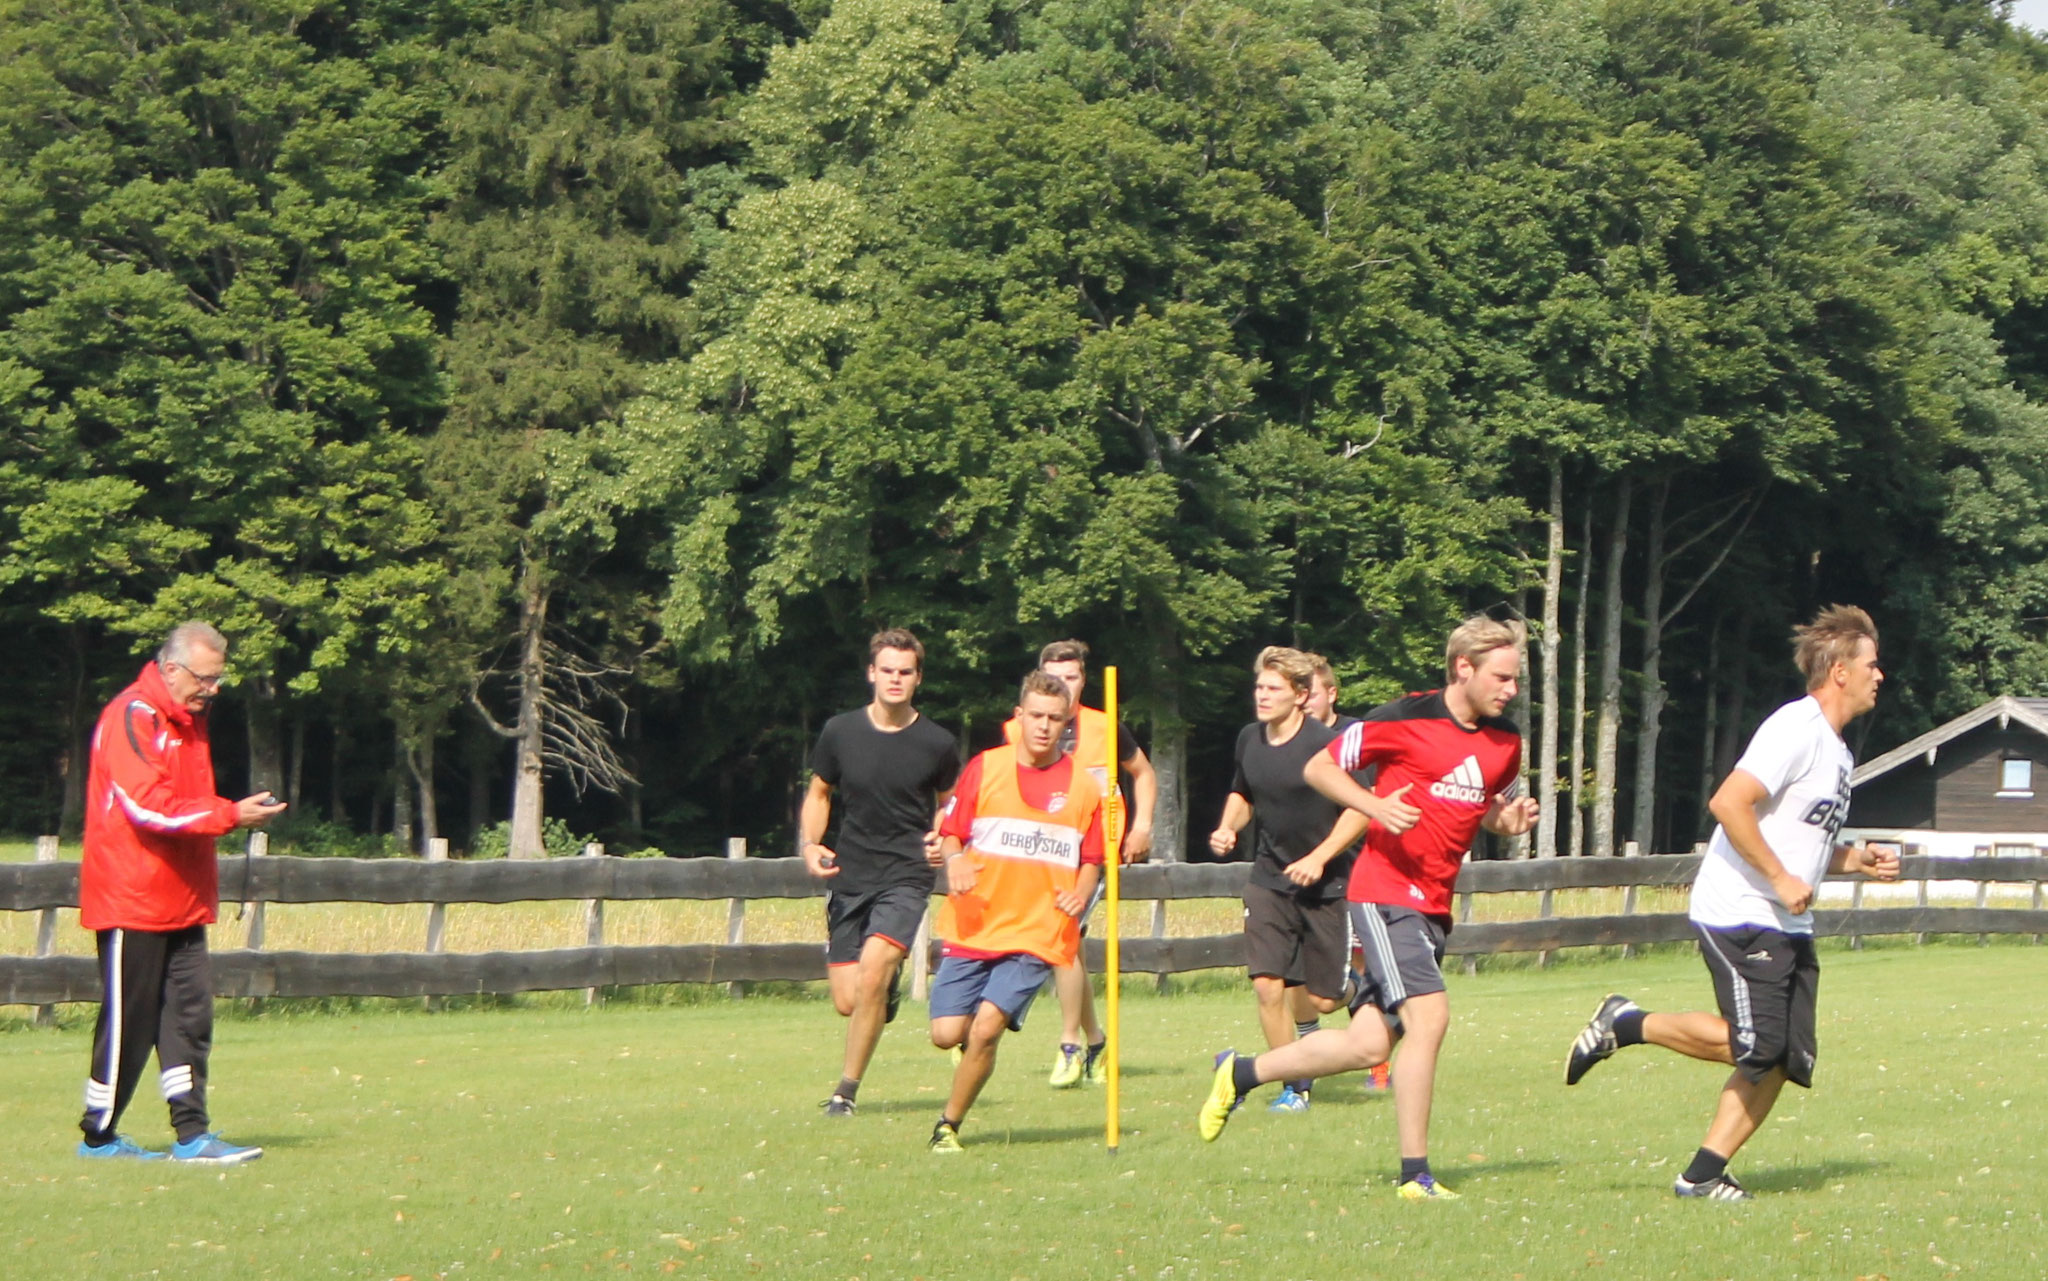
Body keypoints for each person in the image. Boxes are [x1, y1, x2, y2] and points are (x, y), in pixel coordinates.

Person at [1198, 616, 1538, 1201]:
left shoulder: (1505, 741)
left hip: (1434, 904)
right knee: (1430, 1018)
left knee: (1369, 1046)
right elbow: (1320, 767)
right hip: (1384, 892)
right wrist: (1374, 807)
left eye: (1515, 680)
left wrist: (1508, 822)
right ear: (1464, 667)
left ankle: (1243, 1072)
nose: (1511, 690)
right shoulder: (1402, 717)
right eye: (1502, 678)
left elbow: (1488, 810)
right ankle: (1415, 1176)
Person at [1564, 605, 1898, 1201]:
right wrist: (1777, 877)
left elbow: (1800, 838)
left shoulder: (1839, 752)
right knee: (1757, 1046)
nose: (1881, 675)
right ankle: (1627, 1023)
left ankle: (1702, 1174)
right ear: (1840, 670)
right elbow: (1729, 803)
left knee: (1784, 1057)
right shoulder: (1794, 728)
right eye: (1873, 664)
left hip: (1786, 918)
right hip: (1740, 909)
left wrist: (1855, 860)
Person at [78, 622, 285, 1164]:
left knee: (190, 1019)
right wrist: (231, 814)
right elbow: (148, 808)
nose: (212, 689)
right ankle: (98, 1137)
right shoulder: (131, 717)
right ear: (171, 670)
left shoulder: (189, 721)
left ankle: (192, 1135)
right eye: (205, 678)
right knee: (130, 1022)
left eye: (218, 680)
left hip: (182, 899)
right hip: (132, 898)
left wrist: (225, 815)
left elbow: (184, 802)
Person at [927, 671, 1106, 1152]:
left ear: (1067, 722)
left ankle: (948, 1126)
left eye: (1055, 718)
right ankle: (970, 1053)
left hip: (1038, 930)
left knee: (985, 1030)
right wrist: (957, 859)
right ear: (1019, 717)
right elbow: (951, 833)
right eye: (1036, 716)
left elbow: (1091, 860)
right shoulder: (985, 768)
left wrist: (1080, 892)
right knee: (947, 1034)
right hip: (976, 923)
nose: (1045, 726)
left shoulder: (1084, 789)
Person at [801, 628, 962, 1118]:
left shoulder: (937, 742)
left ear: (917, 679)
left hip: (907, 876)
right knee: (850, 1001)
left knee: (872, 974)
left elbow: (951, 804)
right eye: (887, 670)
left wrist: (942, 837)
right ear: (871, 673)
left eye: (905, 672)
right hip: (850, 875)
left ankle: (844, 1092)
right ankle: (883, 992)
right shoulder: (840, 732)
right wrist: (810, 845)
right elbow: (819, 794)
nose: (895, 679)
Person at [1208, 647, 1368, 1113]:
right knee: (1267, 986)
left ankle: (1368, 991)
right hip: (1268, 879)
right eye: (1259, 686)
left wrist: (1319, 858)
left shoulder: (1327, 744)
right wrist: (1226, 827)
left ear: (1301, 695)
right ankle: (1293, 1086)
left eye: (1273, 688)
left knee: (1321, 1000)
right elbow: (1243, 792)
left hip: (1326, 885)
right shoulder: (1249, 739)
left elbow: (1361, 810)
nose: (1262, 695)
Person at [1002, 639, 1155, 1088]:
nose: (1063, 688)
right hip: (1041, 851)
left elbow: (1143, 774)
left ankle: (1069, 1043)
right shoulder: (1019, 731)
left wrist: (1141, 827)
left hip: (1094, 850)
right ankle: (1095, 1039)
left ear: (1083, 681)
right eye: (1054, 679)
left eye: (1071, 679)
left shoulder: (1108, 728)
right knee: (1065, 948)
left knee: (1063, 937)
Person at [1305, 652, 1390, 1094]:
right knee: (1300, 979)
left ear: (1331, 694)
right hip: (1307, 873)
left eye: (1312, 694)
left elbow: (1372, 798)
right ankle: (1301, 1065)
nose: (1304, 704)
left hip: (1358, 867)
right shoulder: (1286, 740)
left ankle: (1378, 1066)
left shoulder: (1353, 739)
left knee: (1361, 967)